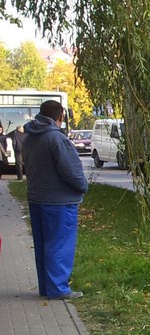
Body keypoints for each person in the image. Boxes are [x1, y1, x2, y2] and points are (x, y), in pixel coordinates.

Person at [23, 100, 89, 299]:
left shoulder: (30, 137)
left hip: (37, 198)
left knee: (43, 244)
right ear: (60, 116)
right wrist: (83, 187)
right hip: (59, 201)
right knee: (59, 244)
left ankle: (46, 286)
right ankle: (58, 288)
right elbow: (71, 170)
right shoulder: (56, 139)